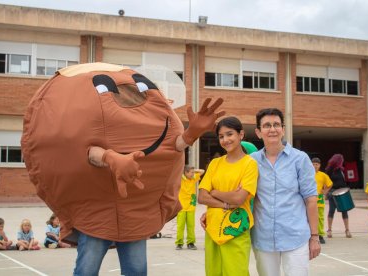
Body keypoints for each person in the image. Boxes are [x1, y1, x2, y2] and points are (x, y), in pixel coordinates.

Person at [21, 63, 225, 275]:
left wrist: (192, 133)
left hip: (134, 214)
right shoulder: (94, 117)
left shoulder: (153, 120)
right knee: (87, 269)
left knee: (136, 270)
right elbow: (88, 152)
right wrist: (111, 158)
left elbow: (171, 146)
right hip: (98, 212)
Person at [250, 108, 320, 276]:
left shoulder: (300, 159)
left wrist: (315, 237)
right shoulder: (251, 161)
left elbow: (311, 200)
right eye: (267, 125)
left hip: (295, 236)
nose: (272, 129)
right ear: (258, 132)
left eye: (276, 124)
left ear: (283, 129)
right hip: (263, 237)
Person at [198, 116, 258, 276]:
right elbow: (202, 197)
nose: (225, 140)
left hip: (236, 230)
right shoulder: (215, 163)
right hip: (213, 229)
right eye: (221, 136)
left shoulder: (249, 164)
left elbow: (239, 200)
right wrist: (226, 203)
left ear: (241, 135)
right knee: (213, 273)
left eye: (230, 134)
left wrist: (215, 192)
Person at [175, 165, 204, 250]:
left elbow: (202, 171)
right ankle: (179, 243)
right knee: (180, 226)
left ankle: (191, 243)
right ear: (185, 172)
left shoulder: (194, 178)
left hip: (191, 206)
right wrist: (183, 170)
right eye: (191, 172)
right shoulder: (181, 179)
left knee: (191, 226)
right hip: (181, 207)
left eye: (193, 172)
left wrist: (194, 171)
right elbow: (177, 172)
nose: (192, 174)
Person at [325, 153, 352, 238]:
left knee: (344, 211)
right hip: (332, 192)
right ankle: (329, 230)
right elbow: (326, 182)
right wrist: (326, 193)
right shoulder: (329, 170)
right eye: (342, 160)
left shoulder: (341, 170)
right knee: (331, 210)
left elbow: (344, 181)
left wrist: (346, 188)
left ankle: (347, 230)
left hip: (342, 192)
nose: (342, 161)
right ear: (338, 160)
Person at [312, 157, 333, 244]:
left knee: (320, 217)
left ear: (319, 165)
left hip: (319, 198)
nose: (315, 166)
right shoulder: (306, 174)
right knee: (309, 217)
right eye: (313, 164)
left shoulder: (323, 175)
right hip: (310, 198)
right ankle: (311, 235)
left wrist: (325, 192)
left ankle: (320, 234)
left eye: (316, 164)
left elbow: (330, 184)